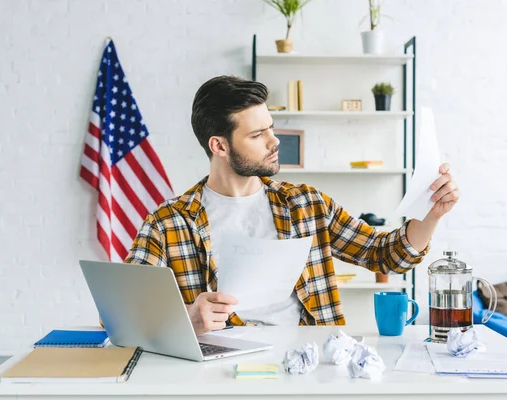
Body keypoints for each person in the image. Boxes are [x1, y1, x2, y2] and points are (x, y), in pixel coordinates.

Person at [125, 76, 459, 335]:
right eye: (257, 135)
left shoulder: (306, 204)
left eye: (271, 128)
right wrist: (187, 317)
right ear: (220, 146)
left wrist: (432, 214)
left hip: (308, 366)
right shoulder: (168, 222)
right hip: (218, 375)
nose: (274, 142)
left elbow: (385, 254)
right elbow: (122, 314)